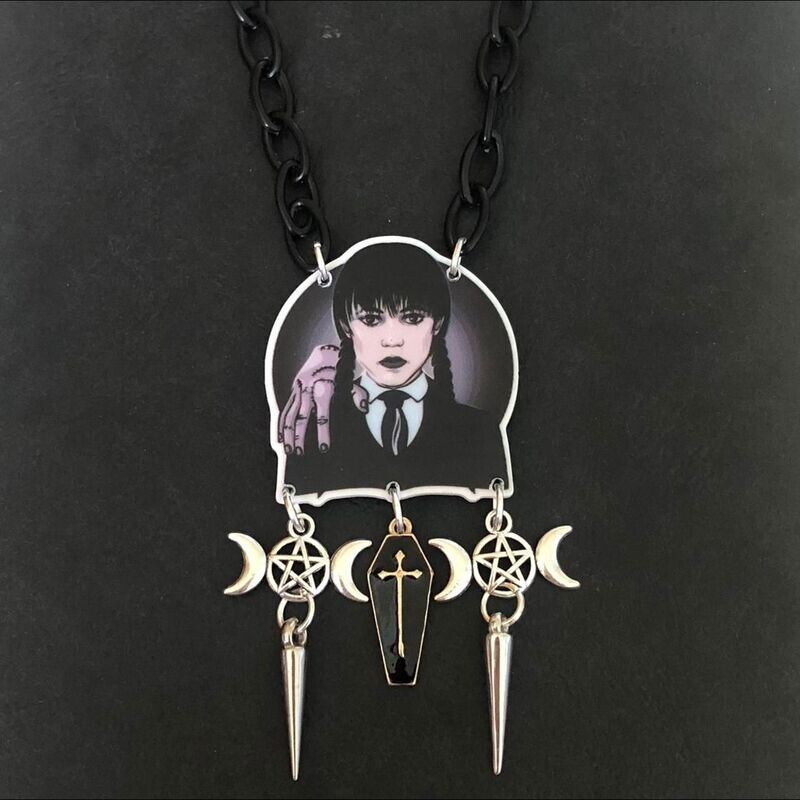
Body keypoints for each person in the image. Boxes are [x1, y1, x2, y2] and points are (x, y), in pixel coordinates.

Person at [278, 242, 507, 495]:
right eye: (371, 319)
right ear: (345, 326)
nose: (392, 340)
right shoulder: (313, 425)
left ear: (438, 323)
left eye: (412, 318)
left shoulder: (479, 430)